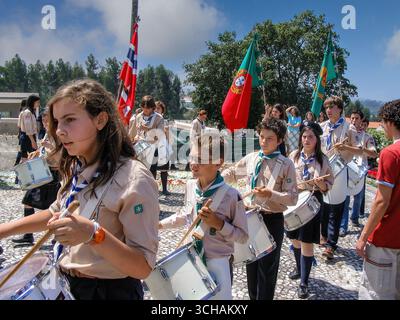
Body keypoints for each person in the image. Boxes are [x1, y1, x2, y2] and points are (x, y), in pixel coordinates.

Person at [0, 79, 159, 300]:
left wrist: (94, 234)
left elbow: (142, 267)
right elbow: (57, 212)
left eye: (70, 120)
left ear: (101, 120)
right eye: (57, 122)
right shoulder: (78, 165)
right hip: (68, 285)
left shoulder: (134, 179)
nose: (60, 131)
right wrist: (3, 230)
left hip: (109, 292)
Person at [159, 134, 248, 300]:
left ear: (218, 162)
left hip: (218, 262)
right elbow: (186, 215)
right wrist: (160, 225)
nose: (193, 164)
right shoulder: (191, 186)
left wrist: (219, 224)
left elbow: (242, 236)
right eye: (192, 157)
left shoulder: (232, 196)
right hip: (191, 259)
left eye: (200, 159)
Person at [222, 118, 298, 300]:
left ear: (279, 140)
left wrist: (271, 194)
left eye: (269, 138)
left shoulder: (286, 164)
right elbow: (233, 173)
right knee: (251, 266)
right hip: (249, 218)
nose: (263, 141)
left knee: (268, 270)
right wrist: (217, 177)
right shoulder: (252, 158)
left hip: (272, 219)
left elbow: (293, 198)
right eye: (262, 137)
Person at [356, 99, 400, 300]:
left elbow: (381, 201)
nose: (382, 127)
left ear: (391, 122)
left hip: (386, 239)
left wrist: (364, 236)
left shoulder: (391, 153)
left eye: (382, 122)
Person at [287, 122, 334, 298]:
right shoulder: (293, 156)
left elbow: (328, 185)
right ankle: (300, 269)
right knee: (294, 240)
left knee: (306, 242)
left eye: (311, 137)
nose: (306, 140)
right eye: (304, 136)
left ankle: (304, 282)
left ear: (317, 140)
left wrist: (321, 183)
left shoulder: (323, 159)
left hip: (312, 202)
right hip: (293, 201)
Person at [319, 96, 363, 260]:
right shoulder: (322, 127)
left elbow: (359, 151)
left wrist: (345, 147)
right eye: (326, 108)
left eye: (332, 107)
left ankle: (331, 244)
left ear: (340, 109)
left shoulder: (348, 128)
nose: (328, 111)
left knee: (335, 209)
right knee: (322, 206)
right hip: (323, 170)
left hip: (339, 170)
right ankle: (323, 236)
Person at [12, 108, 62, 245]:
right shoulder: (47, 133)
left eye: (47, 121)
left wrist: (49, 148)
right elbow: (44, 149)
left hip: (54, 174)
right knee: (28, 200)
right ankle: (28, 235)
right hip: (43, 171)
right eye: (43, 121)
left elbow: (60, 156)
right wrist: (37, 152)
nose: (45, 124)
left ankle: (57, 237)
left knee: (55, 207)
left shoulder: (59, 135)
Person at [339, 110, 378, 237]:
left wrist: (363, 149)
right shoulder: (346, 133)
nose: (354, 121)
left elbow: (373, 153)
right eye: (352, 118)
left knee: (358, 196)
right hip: (346, 168)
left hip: (360, 170)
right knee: (345, 197)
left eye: (357, 118)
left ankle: (355, 217)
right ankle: (343, 226)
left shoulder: (367, 137)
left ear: (361, 121)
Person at [128, 96, 165, 181]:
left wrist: (148, 129)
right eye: (143, 107)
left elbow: (160, 135)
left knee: (145, 170)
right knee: (135, 168)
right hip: (139, 145)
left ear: (153, 108)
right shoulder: (138, 116)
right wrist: (135, 138)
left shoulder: (159, 118)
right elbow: (134, 132)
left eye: (147, 108)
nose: (145, 110)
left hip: (151, 146)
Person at [155, 100, 171, 196]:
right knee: (152, 170)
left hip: (162, 146)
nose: (157, 110)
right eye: (155, 108)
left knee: (164, 169)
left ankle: (164, 189)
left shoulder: (164, 121)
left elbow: (168, 136)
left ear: (162, 110)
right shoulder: (151, 119)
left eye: (158, 108)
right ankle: (152, 189)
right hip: (152, 146)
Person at [19, 95, 40, 162]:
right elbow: (28, 128)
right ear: (33, 102)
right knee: (31, 156)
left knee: (27, 156)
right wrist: (32, 141)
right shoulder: (27, 113)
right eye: (37, 102)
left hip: (29, 136)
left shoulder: (31, 112)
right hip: (28, 137)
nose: (38, 104)